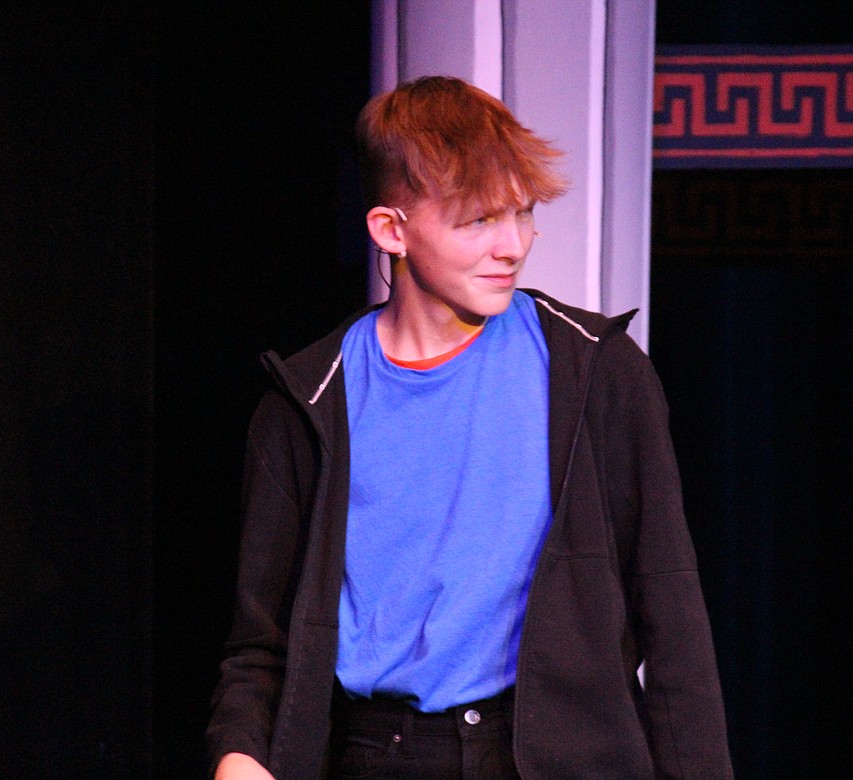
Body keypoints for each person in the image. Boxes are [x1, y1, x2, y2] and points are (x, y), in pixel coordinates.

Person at [207, 75, 732, 779]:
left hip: (559, 751)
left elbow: (672, 613)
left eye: (522, 213)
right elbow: (262, 645)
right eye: (478, 220)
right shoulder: (308, 402)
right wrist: (239, 757)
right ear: (390, 230)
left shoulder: (595, 372)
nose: (512, 245)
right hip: (383, 754)